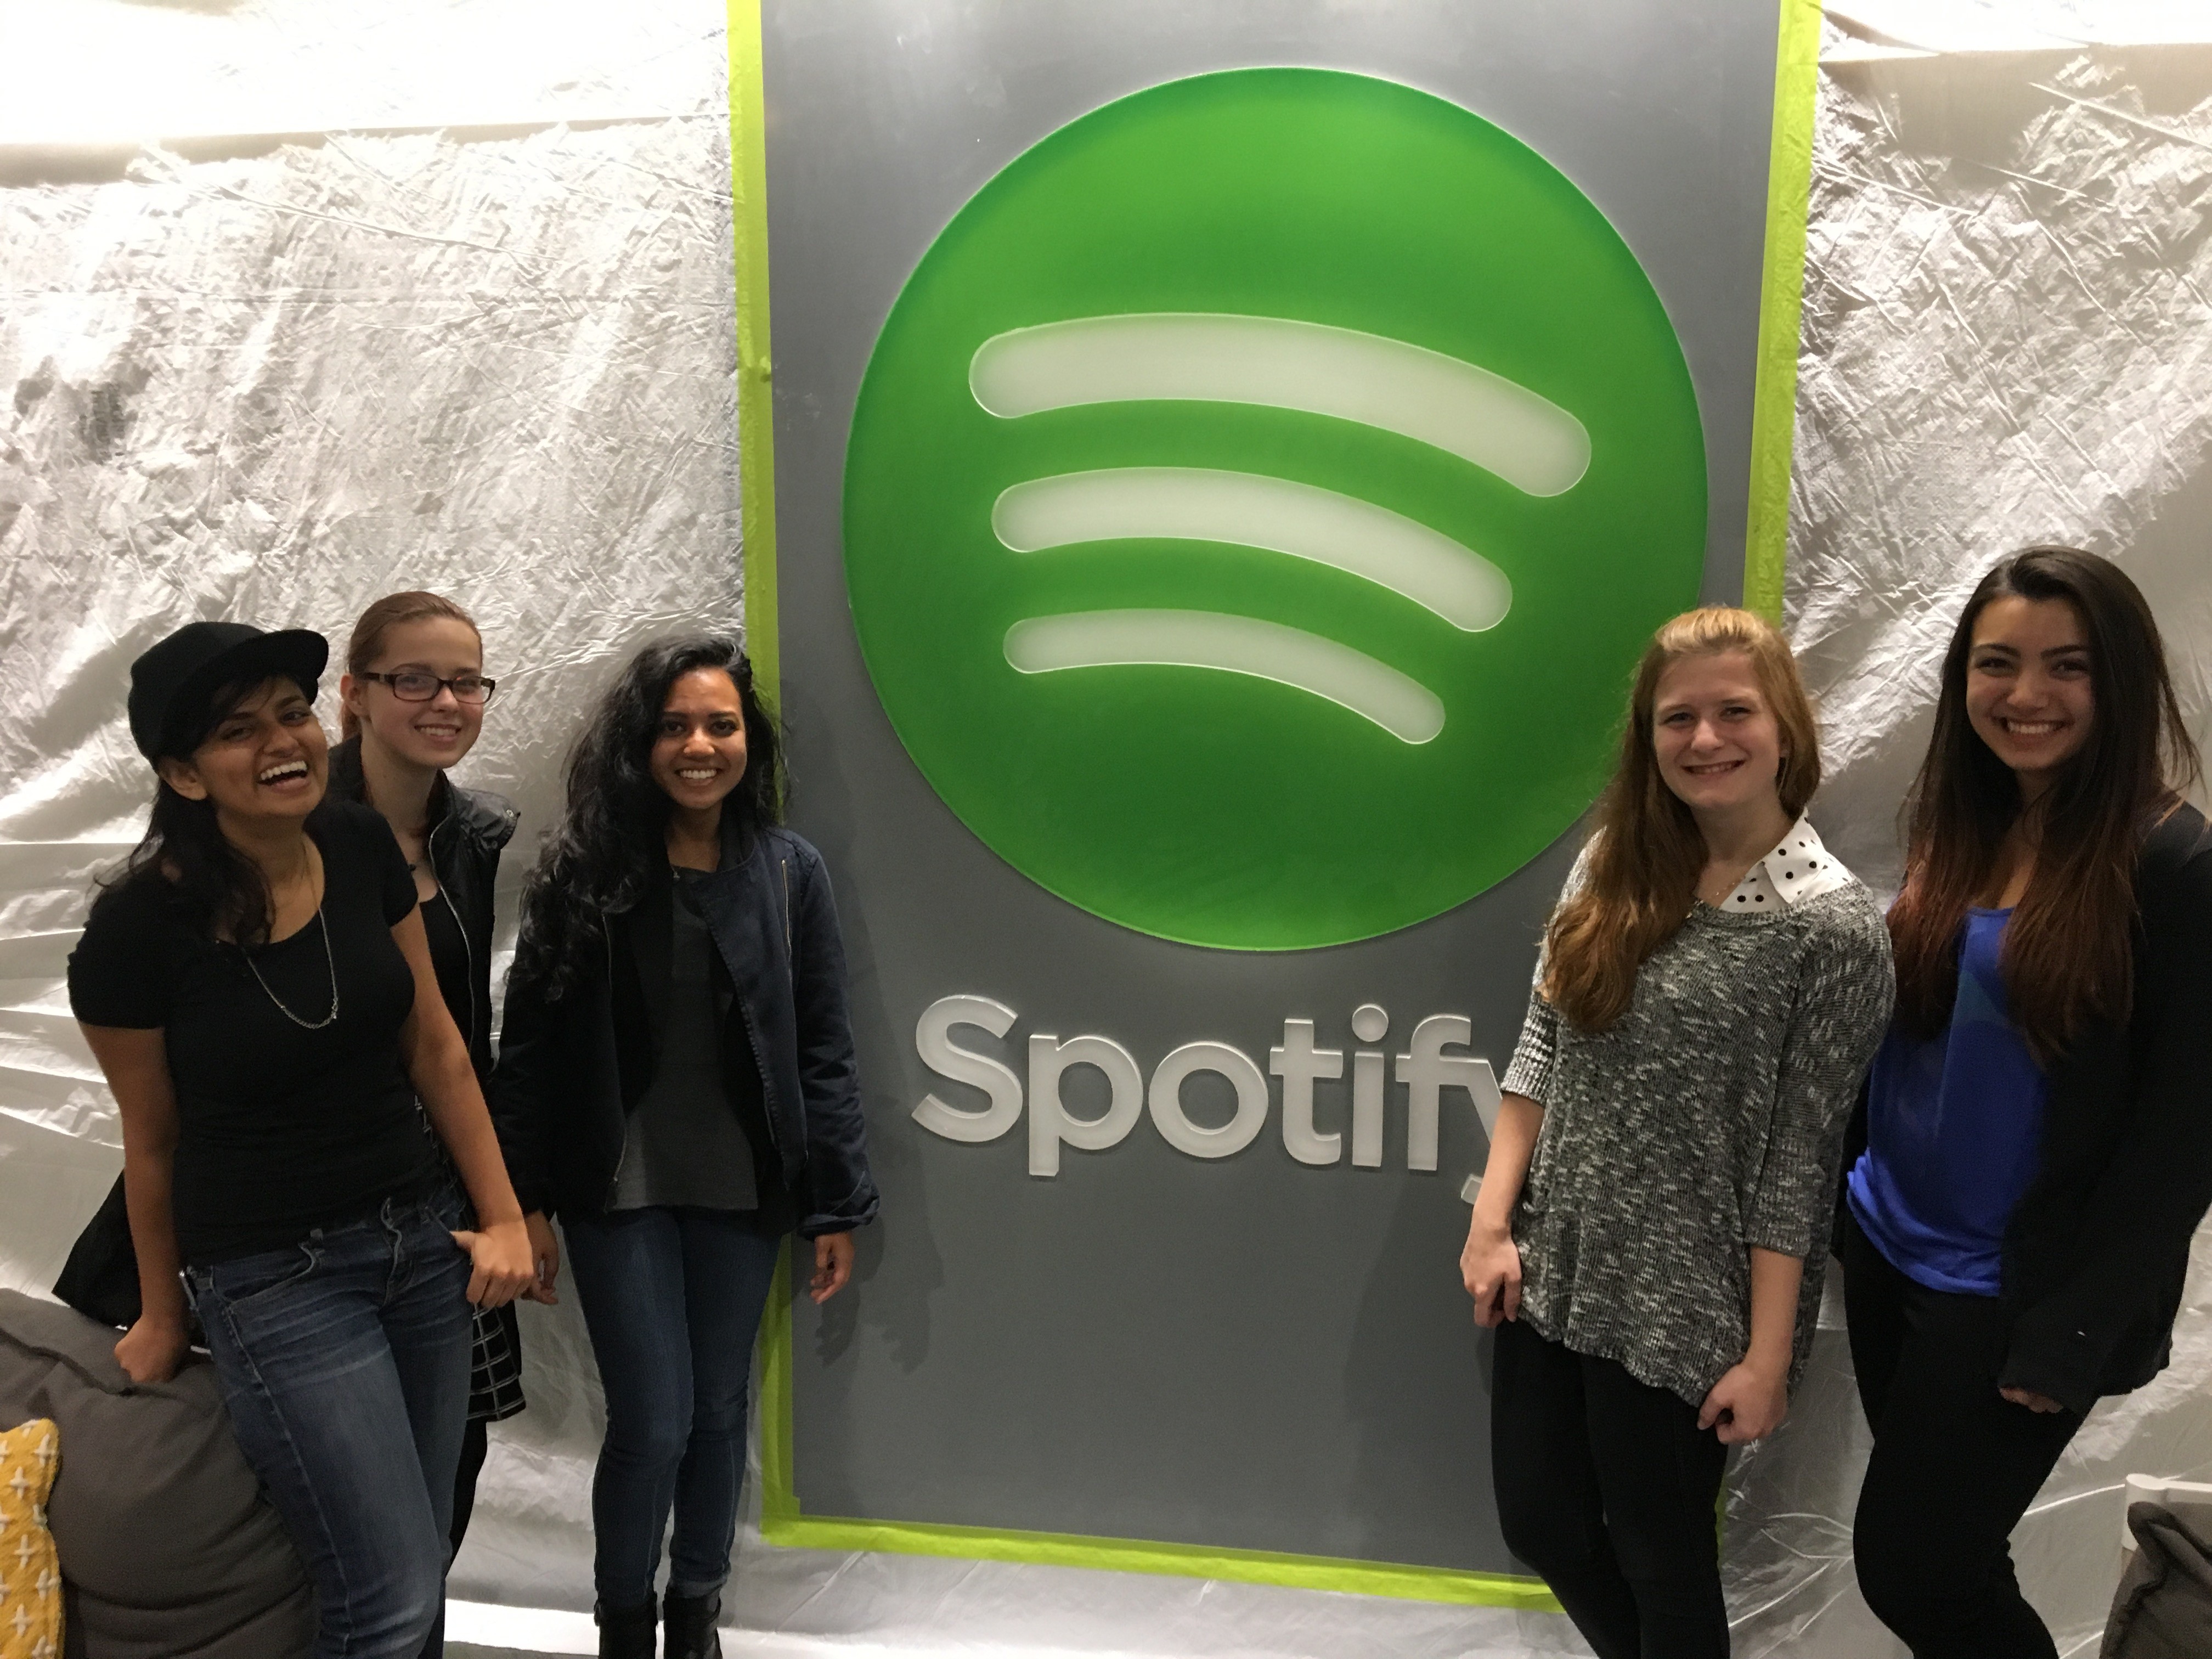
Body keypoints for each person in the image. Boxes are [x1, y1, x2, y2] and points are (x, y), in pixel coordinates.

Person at [67, 620, 537, 1659]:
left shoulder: (359, 844)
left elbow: (437, 1046)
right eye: (239, 731)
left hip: (423, 1247)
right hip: (276, 1278)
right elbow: (153, 1143)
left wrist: (503, 1217)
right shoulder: (134, 936)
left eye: (292, 713)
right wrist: (162, 1312)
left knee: (424, 1558)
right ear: (184, 774)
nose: (283, 742)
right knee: (387, 1597)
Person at [1460, 606, 1895, 1658]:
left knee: (1664, 1561)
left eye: (1734, 711)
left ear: (1785, 726)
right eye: (1677, 718)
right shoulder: (1614, 863)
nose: (1706, 739)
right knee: (1544, 1524)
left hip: (1687, 1299)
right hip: (1553, 1262)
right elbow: (1541, 1045)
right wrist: (1492, 1222)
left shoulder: (1834, 930)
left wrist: (1769, 1357)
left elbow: (1800, 1164)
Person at [1841, 548, 2212, 1658]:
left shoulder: (2174, 865)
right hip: (1889, 1247)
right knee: (1953, 1562)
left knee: (1916, 1572)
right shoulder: (1966, 818)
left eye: (2068, 666)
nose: (2027, 694)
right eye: (1997, 662)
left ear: (2121, 681)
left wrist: (2075, 1332)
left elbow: (2184, 1137)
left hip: (2010, 1292)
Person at [493, 635, 879, 1659]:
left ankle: (696, 1615)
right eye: (674, 726)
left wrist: (836, 1203)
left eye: (721, 725)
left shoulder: (788, 873)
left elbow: (824, 1046)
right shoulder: (584, 874)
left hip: (743, 1188)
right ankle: (625, 1622)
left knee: (717, 1414)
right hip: (614, 1186)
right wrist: (521, 1203)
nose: (699, 746)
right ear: (640, 742)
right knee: (654, 1422)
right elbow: (526, 1048)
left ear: (750, 741)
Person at [330, 590, 560, 1654]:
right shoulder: (287, 830)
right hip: (324, 1212)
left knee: (447, 1479)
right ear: (355, 694)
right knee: (345, 1515)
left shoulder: (472, 836)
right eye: (414, 678)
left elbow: (466, 1042)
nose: (446, 701)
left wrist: (518, 1203)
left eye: (466, 681)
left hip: (451, 1208)